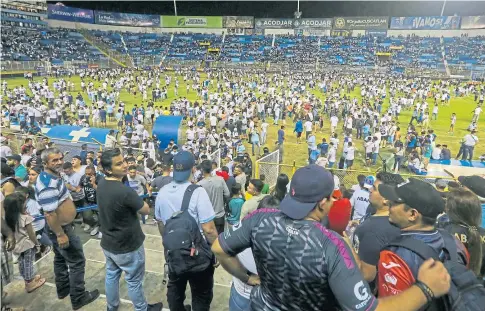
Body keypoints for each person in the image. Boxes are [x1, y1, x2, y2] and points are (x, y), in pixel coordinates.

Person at [212, 164, 453, 311]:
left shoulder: (260, 217)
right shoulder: (333, 246)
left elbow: (219, 248)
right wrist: (426, 289)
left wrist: (247, 277)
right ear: (323, 203)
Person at [377, 178, 469, 299]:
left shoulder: (393, 256)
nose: (388, 204)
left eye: (394, 202)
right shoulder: (455, 242)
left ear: (412, 214)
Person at [98, 148, 162, 311]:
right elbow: (146, 209)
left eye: (124, 161)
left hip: (108, 242)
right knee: (134, 281)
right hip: (127, 245)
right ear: (107, 169)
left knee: (112, 275)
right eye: (119, 164)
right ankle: (142, 308)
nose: (125, 165)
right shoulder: (125, 191)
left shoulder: (102, 183)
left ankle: (111, 307)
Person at [35, 148, 99, 310]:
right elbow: (49, 214)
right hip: (61, 229)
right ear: (45, 163)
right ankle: (78, 297)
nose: (58, 162)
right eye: (54, 160)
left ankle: (63, 289)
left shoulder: (55, 175)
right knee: (77, 261)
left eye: (60, 159)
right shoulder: (47, 183)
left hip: (62, 227)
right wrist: (60, 234)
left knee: (60, 258)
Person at [154, 151, 218, 311]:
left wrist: (170, 244)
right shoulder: (198, 192)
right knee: (201, 294)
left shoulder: (162, 192)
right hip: (197, 255)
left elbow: (161, 224)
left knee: (175, 288)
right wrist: (217, 250)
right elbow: (209, 229)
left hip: (174, 252)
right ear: (193, 169)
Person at [437, 188, 485, 278]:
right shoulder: (481, 232)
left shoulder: (442, 230)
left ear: (449, 209)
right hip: (476, 286)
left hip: (449, 285)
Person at [3, 192, 46, 293]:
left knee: (22, 262)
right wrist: (37, 244)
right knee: (28, 263)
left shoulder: (7, 219)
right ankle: (30, 283)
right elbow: (31, 234)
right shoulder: (25, 218)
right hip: (27, 245)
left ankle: (28, 278)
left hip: (16, 246)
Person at [198, 160, 230, 234]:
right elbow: (227, 194)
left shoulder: (200, 184)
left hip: (207, 217)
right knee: (220, 239)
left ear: (202, 170)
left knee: (210, 239)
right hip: (220, 214)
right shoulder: (220, 179)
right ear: (211, 168)